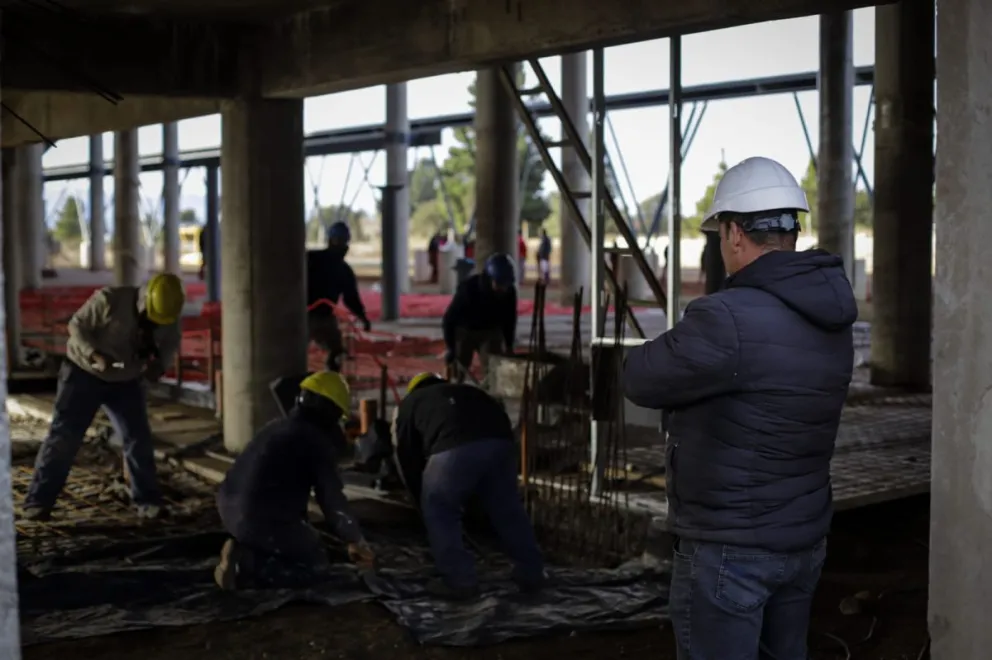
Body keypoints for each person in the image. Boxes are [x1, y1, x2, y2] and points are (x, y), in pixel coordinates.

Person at [621, 156, 857, 660]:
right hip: (803, 540)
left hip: (732, 547)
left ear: (732, 234)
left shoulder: (726, 318)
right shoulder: (835, 315)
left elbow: (639, 378)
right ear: (792, 231)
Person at [21, 273, 187, 521]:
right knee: (65, 436)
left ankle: (148, 501)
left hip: (126, 380)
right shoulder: (109, 300)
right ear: (144, 301)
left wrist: (159, 365)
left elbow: (171, 342)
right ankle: (38, 501)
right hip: (84, 373)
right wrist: (94, 354)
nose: (156, 323)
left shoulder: (168, 314)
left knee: (137, 439)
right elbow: (76, 326)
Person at [214, 371, 375, 591]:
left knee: (299, 538)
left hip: (229, 510)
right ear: (331, 411)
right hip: (256, 519)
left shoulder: (276, 427)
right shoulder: (315, 442)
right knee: (315, 563)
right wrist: (355, 540)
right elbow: (332, 501)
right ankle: (247, 567)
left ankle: (247, 551)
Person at [391, 372, 544, 599]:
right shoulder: (470, 392)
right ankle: (532, 573)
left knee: (440, 510)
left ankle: (459, 581)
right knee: (508, 510)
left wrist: (419, 497)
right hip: (502, 444)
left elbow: (407, 457)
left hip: (453, 448)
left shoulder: (411, 403)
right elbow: (501, 421)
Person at [306, 221, 372, 371]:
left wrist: (362, 316)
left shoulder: (341, 269)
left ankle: (331, 380)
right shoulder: (312, 260)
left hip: (324, 317)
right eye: (340, 241)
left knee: (337, 351)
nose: (343, 246)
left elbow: (351, 298)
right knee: (295, 353)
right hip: (305, 316)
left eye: (344, 242)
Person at [441, 253, 518, 381]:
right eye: (499, 284)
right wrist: (451, 348)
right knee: (457, 369)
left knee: (494, 370)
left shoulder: (509, 293)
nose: (503, 289)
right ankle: (453, 394)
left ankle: (491, 396)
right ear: (490, 278)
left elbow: (510, 320)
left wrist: (509, 345)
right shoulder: (469, 289)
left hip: (490, 331)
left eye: (506, 284)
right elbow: (449, 320)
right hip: (465, 330)